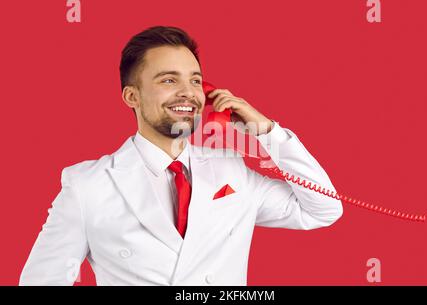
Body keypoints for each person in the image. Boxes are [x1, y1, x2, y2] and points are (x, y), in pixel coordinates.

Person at [19, 26, 343, 286]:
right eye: (169, 80)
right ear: (132, 96)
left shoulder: (232, 169)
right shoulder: (87, 185)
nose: (188, 92)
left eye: (196, 80)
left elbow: (323, 209)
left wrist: (267, 131)